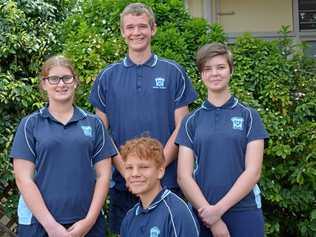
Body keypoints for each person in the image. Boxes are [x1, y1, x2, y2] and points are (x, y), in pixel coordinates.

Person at [89, 2, 197, 234]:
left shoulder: (173, 72)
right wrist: (129, 172)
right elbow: (101, 134)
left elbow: (183, 127)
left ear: (153, 29)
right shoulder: (107, 77)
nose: (136, 32)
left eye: (142, 26)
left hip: (165, 182)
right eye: (130, 27)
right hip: (123, 185)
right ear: (122, 32)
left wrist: (156, 168)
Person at [10, 55, 117, 237]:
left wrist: (88, 221)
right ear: (44, 84)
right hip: (39, 225)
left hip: (86, 224)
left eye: (67, 78)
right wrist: (52, 227)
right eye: (54, 79)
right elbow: (23, 179)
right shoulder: (30, 124)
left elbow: (103, 175)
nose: (61, 84)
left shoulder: (94, 124)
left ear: (75, 81)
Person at [176, 43, 269, 237]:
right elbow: (183, 176)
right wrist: (211, 216)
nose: (214, 73)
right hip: (201, 213)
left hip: (244, 211)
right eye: (207, 69)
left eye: (220, 67)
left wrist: (217, 211)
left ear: (231, 70)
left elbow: (253, 172)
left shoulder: (249, 116)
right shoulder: (191, 121)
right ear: (201, 75)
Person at [119, 137, 199, 237]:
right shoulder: (129, 218)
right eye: (129, 168)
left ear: (160, 171)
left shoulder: (176, 213)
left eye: (143, 167)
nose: (135, 173)